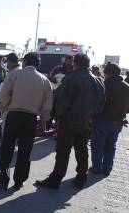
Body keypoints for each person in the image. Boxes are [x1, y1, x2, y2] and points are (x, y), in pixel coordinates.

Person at [36, 54, 105, 190]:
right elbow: (102, 102)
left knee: (63, 151)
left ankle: (55, 179)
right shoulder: (98, 80)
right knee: (82, 150)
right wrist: (90, 116)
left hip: (69, 121)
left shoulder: (72, 78)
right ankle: (81, 177)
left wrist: (57, 117)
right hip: (86, 122)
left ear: (76, 63)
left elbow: (62, 101)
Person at [0, 52, 53, 191]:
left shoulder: (14, 74)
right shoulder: (45, 81)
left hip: (13, 116)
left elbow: (4, 94)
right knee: (25, 151)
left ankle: (3, 180)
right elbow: (47, 105)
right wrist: (43, 122)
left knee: (7, 148)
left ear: (25, 62)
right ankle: (19, 181)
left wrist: (4, 106)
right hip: (31, 119)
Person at [90, 63, 129, 176]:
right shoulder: (126, 86)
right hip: (118, 122)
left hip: (101, 120)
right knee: (111, 146)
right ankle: (107, 169)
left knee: (98, 145)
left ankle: (97, 167)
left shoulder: (102, 84)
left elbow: (95, 103)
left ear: (108, 73)